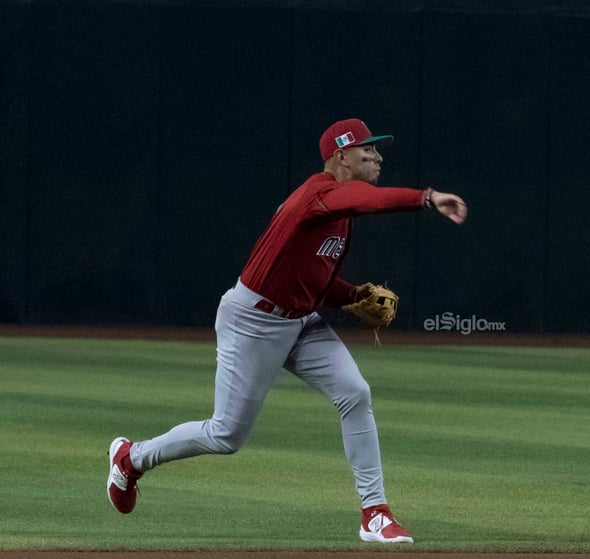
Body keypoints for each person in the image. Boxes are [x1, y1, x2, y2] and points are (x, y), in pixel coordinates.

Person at [106, 118, 467, 544]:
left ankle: (375, 513)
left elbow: (311, 280)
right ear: (341, 157)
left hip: (300, 319)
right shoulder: (320, 195)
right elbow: (372, 200)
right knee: (226, 435)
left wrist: (352, 296)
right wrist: (426, 198)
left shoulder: (337, 210)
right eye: (367, 150)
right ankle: (131, 459)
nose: (378, 156)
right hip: (253, 321)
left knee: (355, 393)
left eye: (377, 149)